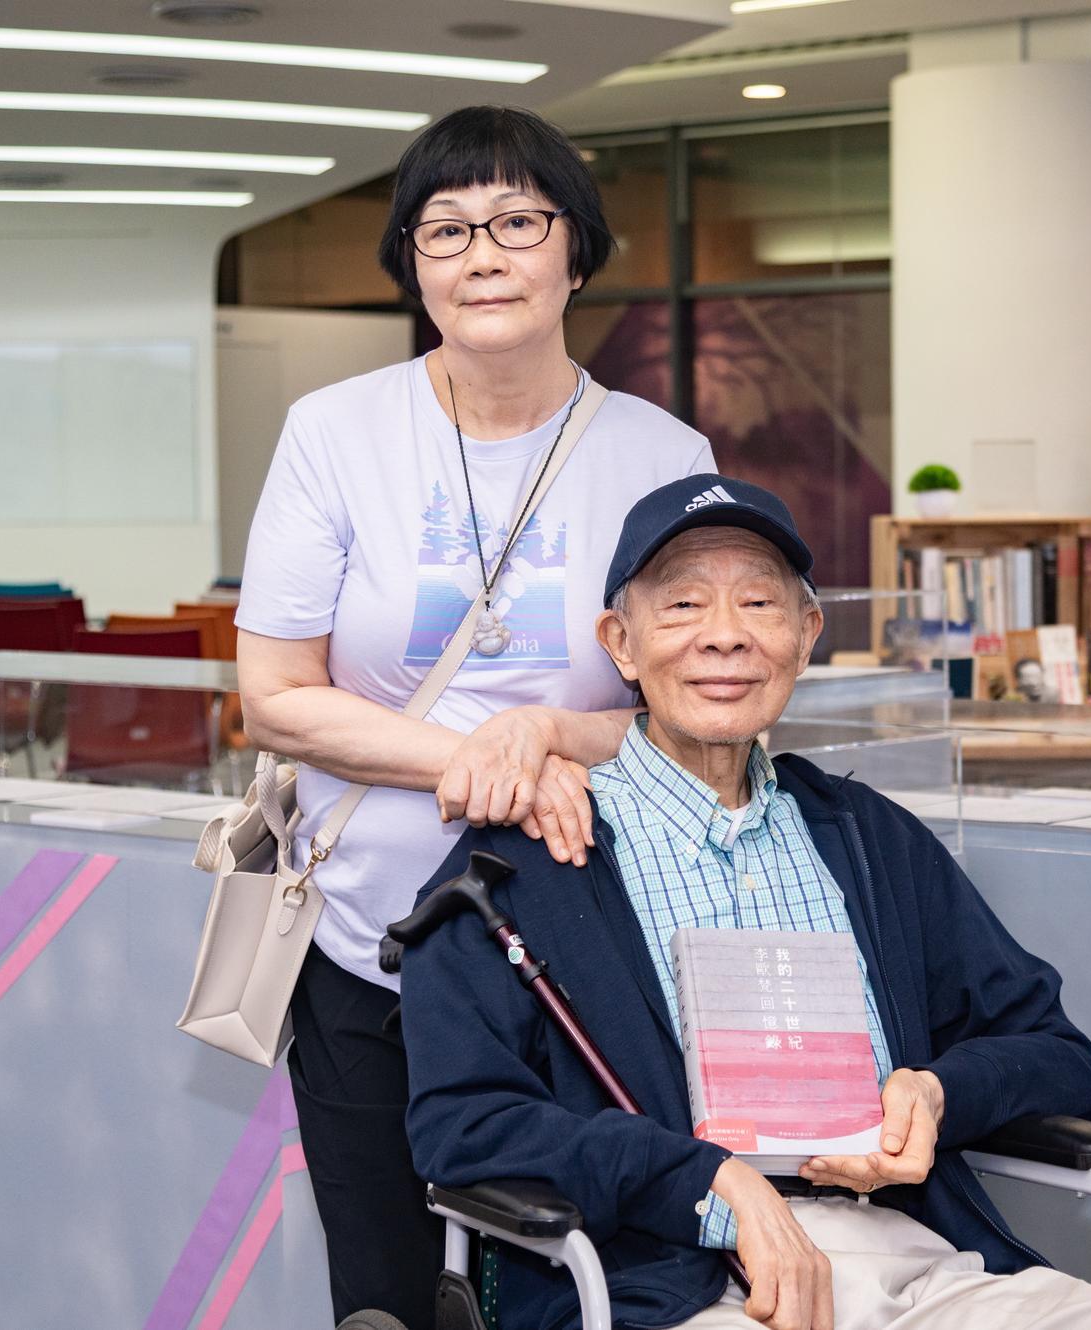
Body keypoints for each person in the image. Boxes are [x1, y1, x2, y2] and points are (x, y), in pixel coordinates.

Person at [400, 475, 1091, 1330]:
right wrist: (702, 1177)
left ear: (805, 636)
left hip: (911, 1264)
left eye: (760, 604)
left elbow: (1056, 1052)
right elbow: (462, 1124)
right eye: (684, 605)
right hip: (656, 1284)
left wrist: (935, 1093)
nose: (725, 638)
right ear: (620, 644)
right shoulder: (520, 869)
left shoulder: (870, 841)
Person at [233, 106, 714, 1327]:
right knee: (387, 1297)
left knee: (582, 1287)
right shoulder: (334, 434)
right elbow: (276, 697)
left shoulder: (662, 455)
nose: (481, 254)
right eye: (443, 229)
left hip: (583, 957)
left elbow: (698, 717)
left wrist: (547, 734)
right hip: (364, 949)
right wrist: (478, 753)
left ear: (575, 251)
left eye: (516, 220)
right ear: (411, 262)